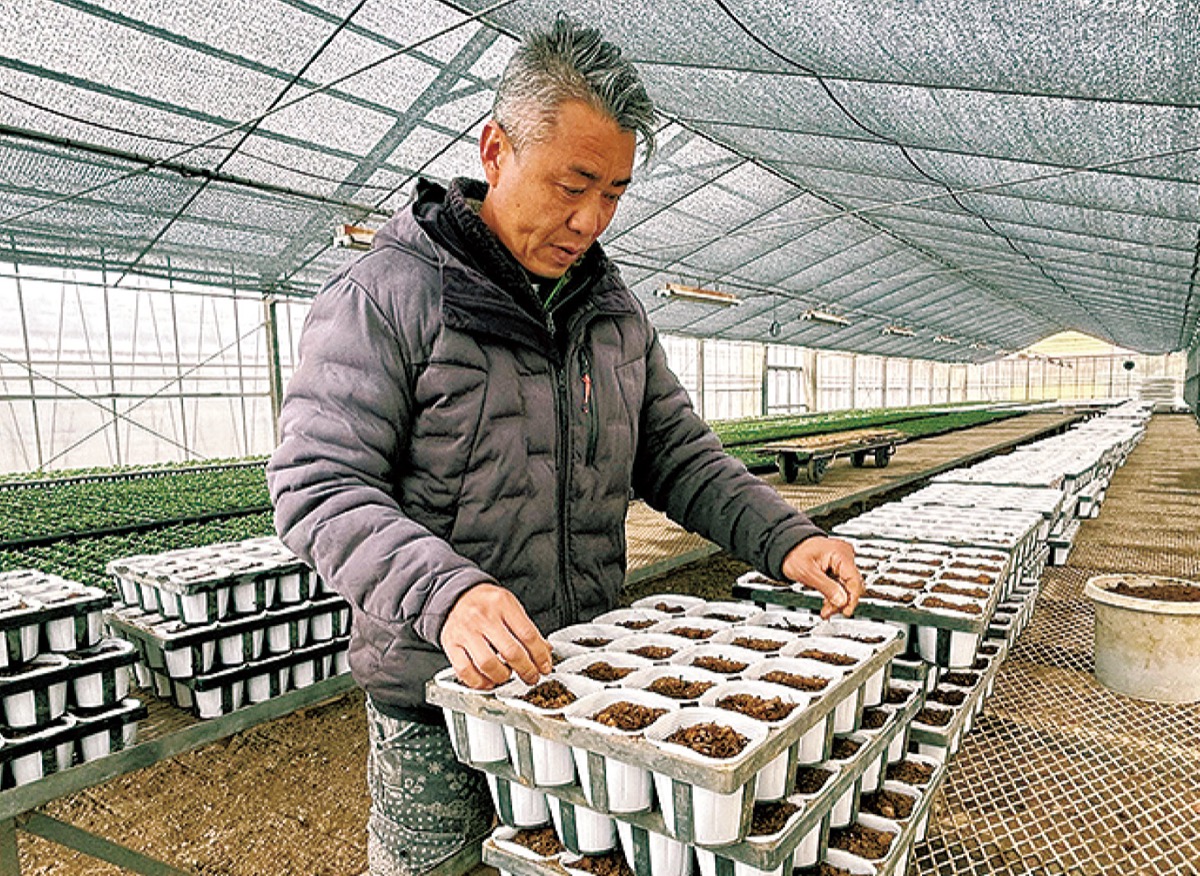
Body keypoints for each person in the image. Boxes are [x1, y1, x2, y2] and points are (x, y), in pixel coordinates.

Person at [267, 15, 864, 876]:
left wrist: (787, 536)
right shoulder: (388, 295)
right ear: (496, 151)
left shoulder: (613, 311)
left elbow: (676, 452)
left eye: (615, 192)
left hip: (582, 685)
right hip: (439, 699)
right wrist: (448, 595)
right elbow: (317, 483)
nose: (590, 219)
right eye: (571, 184)